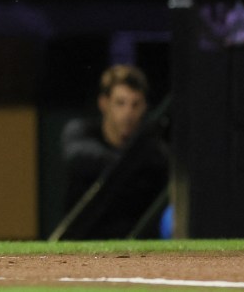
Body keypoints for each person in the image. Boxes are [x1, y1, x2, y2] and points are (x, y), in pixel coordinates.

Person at [61, 64, 169, 240]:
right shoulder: (81, 133)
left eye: (135, 104)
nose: (128, 113)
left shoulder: (153, 148)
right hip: (84, 244)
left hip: (138, 248)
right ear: (104, 103)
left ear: (144, 107)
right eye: (120, 103)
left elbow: (165, 163)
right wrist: (128, 164)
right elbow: (76, 155)